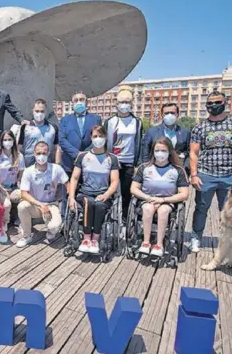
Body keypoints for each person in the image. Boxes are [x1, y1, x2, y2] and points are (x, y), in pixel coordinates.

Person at [190, 91, 232, 253]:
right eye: (210, 103)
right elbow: (193, 153)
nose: (214, 106)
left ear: (224, 103)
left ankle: (230, 241)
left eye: (218, 102)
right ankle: (196, 237)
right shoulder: (199, 127)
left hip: (230, 176)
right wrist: (194, 174)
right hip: (206, 175)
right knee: (201, 208)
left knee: (231, 211)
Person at [131, 137, 190, 257]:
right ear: (153, 151)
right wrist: (148, 198)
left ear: (169, 152)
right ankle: (146, 242)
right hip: (148, 199)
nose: (160, 153)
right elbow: (133, 188)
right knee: (148, 209)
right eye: (157, 150)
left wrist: (163, 200)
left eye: (163, 150)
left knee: (163, 210)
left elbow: (184, 194)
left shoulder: (178, 170)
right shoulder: (144, 168)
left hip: (167, 201)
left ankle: (159, 244)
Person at [67, 125, 120, 254]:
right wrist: (71, 197)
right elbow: (74, 178)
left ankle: (95, 239)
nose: (98, 139)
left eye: (100, 136)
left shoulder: (111, 158)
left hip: (103, 193)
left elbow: (114, 182)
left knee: (100, 206)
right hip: (85, 193)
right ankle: (86, 239)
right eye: (95, 136)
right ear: (91, 138)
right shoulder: (83, 156)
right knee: (88, 202)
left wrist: (107, 194)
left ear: (106, 138)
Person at [16, 141, 69, 248]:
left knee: (55, 226)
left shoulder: (56, 168)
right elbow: (23, 194)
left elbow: (68, 183)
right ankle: (26, 236)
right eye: (39, 153)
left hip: (51, 204)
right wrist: (40, 205)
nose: (41, 156)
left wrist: (71, 197)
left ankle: (50, 230)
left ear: (48, 153)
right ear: (34, 154)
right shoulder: (28, 171)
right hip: (35, 205)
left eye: (44, 153)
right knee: (22, 206)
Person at [105, 85, 143, 221]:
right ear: (117, 104)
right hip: (113, 161)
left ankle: (126, 217)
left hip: (129, 162)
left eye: (127, 102)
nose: (124, 105)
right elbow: (105, 142)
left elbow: (139, 142)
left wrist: (137, 164)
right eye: (122, 102)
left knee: (127, 192)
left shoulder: (137, 122)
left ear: (132, 104)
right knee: (111, 190)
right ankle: (110, 217)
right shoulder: (110, 122)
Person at [58, 92, 102, 175]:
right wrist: (77, 153)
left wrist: (86, 153)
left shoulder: (96, 119)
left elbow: (99, 138)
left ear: (86, 102)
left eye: (81, 100)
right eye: (76, 100)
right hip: (69, 163)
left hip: (90, 161)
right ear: (72, 103)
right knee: (70, 187)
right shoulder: (65, 120)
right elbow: (62, 139)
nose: (79, 102)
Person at [142, 103, 191, 174]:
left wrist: (185, 168)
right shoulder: (151, 132)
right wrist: (146, 169)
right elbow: (145, 153)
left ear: (177, 115)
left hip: (179, 171)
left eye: (172, 113)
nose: (169, 115)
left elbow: (190, 152)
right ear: (162, 115)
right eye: (166, 113)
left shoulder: (186, 132)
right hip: (156, 170)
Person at [0, 130, 25, 230]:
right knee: (7, 204)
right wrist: (3, 190)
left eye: (10, 139)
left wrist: (20, 186)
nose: (7, 142)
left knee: (25, 197)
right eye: (5, 140)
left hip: (13, 187)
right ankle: (5, 223)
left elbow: (21, 174)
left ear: (13, 141)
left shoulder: (19, 156)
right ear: (1, 141)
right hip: (0, 188)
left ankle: (21, 220)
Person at [18, 98, 60, 166]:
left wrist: (58, 165)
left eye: (42, 111)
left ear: (45, 111)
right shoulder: (25, 127)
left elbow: (57, 148)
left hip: (47, 165)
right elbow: (19, 148)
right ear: (33, 111)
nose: (39, 113)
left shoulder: (53, 128)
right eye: (37, 111)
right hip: (28, 165)